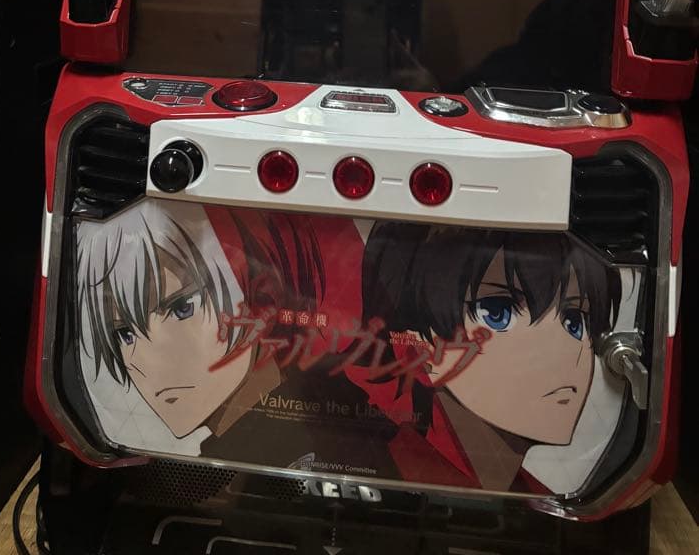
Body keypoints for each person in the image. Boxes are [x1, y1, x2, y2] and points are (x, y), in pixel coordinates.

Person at [76, 199, 395, 474]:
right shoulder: (234, 453)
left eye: (182, 308)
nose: (145, 360)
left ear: (264, 299)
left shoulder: (320, 438)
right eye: (125, 333)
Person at [360, 222, 623, 493]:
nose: (560, 349)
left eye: (574, 321)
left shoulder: (539, 496)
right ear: (419, 344)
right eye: (498, 313)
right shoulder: (384, 467)